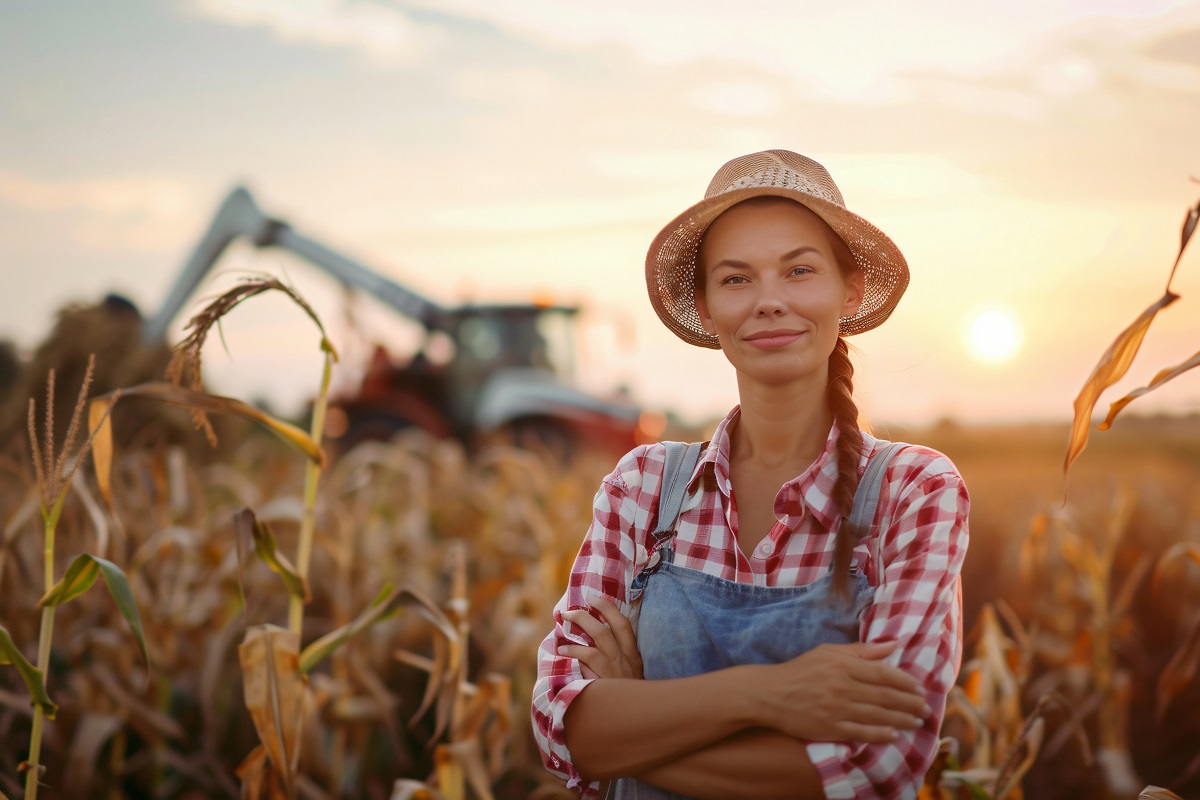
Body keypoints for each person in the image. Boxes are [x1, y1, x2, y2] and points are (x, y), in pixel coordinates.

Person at [531, 150, 969, 800]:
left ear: (847, 291)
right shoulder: (642, 487)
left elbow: (877, 768)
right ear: (706, 309)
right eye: (736, 280)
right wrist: (767, 695)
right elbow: (559, 729)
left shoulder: (912, 491)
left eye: (799, 271)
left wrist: (636, 718)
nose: (769, 301)